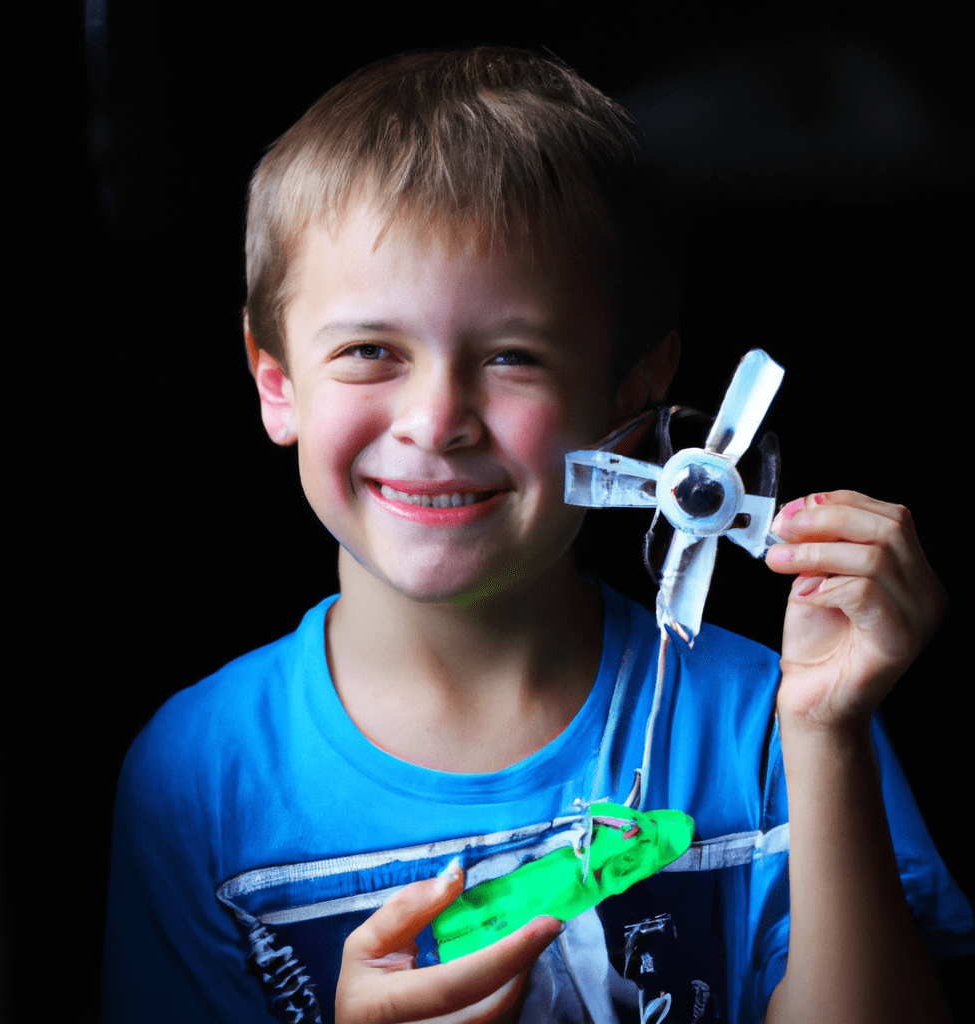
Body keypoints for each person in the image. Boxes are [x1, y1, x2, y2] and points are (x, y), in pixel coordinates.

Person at [101, 47, 973, 1024]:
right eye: (370, 352)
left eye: (513, 355)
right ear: (275, 383)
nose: (436, 421)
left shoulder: (768, 725)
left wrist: (823, 733)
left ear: (633, 389)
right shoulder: (194, 779)